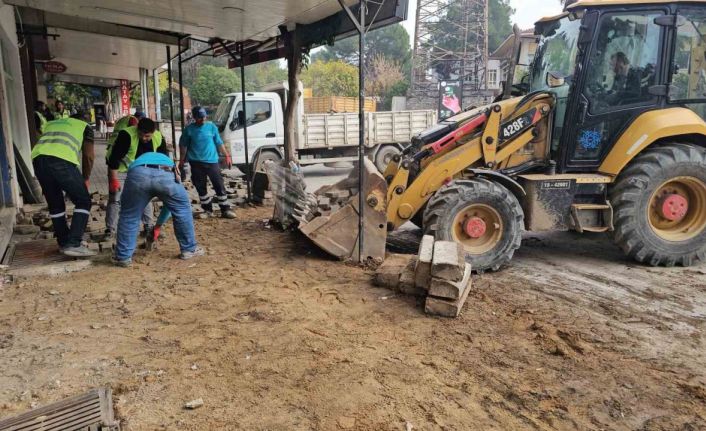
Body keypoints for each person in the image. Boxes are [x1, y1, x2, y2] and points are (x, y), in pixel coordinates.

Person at [112, 151, 203, 266]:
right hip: (166, 172)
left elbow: (167, 207)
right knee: (182, 209)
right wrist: (158, 226)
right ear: (178, 174)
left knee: (129, 215)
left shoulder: (139, 159)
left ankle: (123, 257)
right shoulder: (172, 166)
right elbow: (170, 207)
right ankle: (189, 250)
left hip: (138, 174)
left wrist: (157, 227)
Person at [31, 112, 96, 257]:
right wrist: (85, 178)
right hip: (61, 160)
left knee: (56, 204)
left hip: (38, 160)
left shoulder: (53, 123)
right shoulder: (85, 126)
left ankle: (64, 242)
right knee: (83, 200)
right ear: (84, 120)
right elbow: (88, 155)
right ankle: (73, 243)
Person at [105, 118, 165, 237]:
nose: (144, 138)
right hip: (121, 170)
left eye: (147, 136)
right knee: (115, 198)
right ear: (137, 129)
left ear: (153, 132)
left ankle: (148, 226)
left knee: (145, 196)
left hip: (141, 171)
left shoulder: (158, 137)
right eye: (141, 134)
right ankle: (110, 229)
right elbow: (114, 159)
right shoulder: (126, 135)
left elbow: (163, 158)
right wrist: (113, 180)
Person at [179, 106, 235, 218]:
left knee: (219, 184)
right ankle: (207, 210)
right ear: (194, 117)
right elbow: (183, 145)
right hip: (196, 162)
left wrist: (227, 156)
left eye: (204, 116)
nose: (203, 119)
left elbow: (219, 143)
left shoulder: (211, 127)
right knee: (200, 186)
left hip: (212, 161)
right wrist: (182, 160)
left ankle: (225, 209)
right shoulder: (189, 130)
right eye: (200, 117)